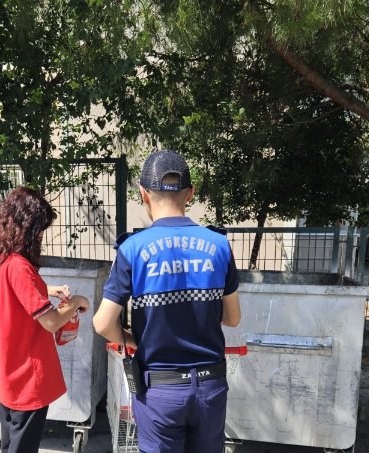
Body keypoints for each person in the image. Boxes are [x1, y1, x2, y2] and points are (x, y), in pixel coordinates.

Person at [93, 149, 241, 453]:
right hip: (210, 386)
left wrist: (133, 340)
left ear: (143, 193)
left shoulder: (133, 249)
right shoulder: (219, 245)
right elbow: (233, 318)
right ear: (191, 193)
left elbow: (103, 324)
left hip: (160, 390)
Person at [0, 186, 89, 453]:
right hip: (28, 374)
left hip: (8, 371)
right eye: (38, 230)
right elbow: (50, 322)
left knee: (11, 445)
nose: (40, 236)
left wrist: (47, 289)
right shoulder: (19, 266)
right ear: (26, 227)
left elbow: (14, 294)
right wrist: (76, 302)